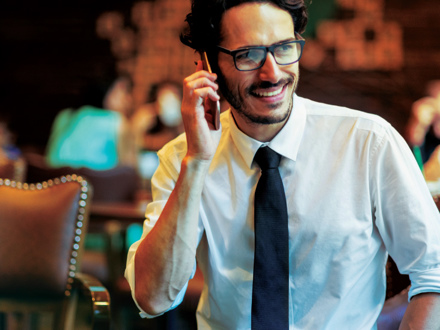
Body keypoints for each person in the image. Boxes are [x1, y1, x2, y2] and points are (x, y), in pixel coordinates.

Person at [125, 0, 440, 328]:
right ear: (209, 64)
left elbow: (434, 273)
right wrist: (197, 162)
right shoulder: (183, 158)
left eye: (285, 48)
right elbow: (153, 297)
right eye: (248, 54)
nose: (272, 73)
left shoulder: (368, 142)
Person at [45, 75, 138, 170]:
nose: (129, 99)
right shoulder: (117, 121)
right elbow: (131, 171)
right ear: (105, 89)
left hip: (55, 182)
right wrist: (137, 128)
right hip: (95, 184)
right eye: (125, 90)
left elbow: (51, 159)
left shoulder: (65, 115)